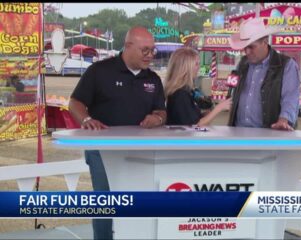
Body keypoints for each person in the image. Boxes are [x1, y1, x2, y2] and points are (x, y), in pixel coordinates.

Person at [68, 27, 166, 240]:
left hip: (142, 152)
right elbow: (75, 103)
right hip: (103, 151)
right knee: (104, 202)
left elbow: (161, 111)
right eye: (145, 50)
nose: (150, 55)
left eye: (153, 51)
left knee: (138, 202)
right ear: (128, 46)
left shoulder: (154, 79)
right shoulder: (99, 71)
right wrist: (86, 119)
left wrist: (157, 118)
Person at [227, 18, 300, 131]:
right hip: (237, 132)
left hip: (268, 135)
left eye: (251, 47)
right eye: (245, 47)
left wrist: (284, 119)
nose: (247, 52)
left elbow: (290, 97)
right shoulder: (242, 63)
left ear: (265, 42)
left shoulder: (286, 65)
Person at [164, 48, 231, 126]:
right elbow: (195, 125)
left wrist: (213, 109)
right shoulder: (180, 94)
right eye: (196, 64)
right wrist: (219, 108)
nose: (199, 67)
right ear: (186, 67)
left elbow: (194, 118)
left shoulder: (186, 90)